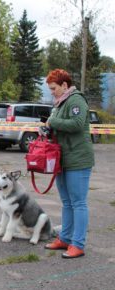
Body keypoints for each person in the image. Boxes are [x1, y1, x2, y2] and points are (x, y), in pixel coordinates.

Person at [43, 69, 94, 259]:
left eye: (54, 88)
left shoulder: (76, 100)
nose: (52, 92)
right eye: (50, 89)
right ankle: (64, 239)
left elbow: (77, 124)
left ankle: (78, 244)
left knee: (78, 203)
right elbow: (58, 125)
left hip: (78, 159)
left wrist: (53, 121)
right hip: (62, 159)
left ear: (65, 85)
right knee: (66, 202)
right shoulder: (60, 103)